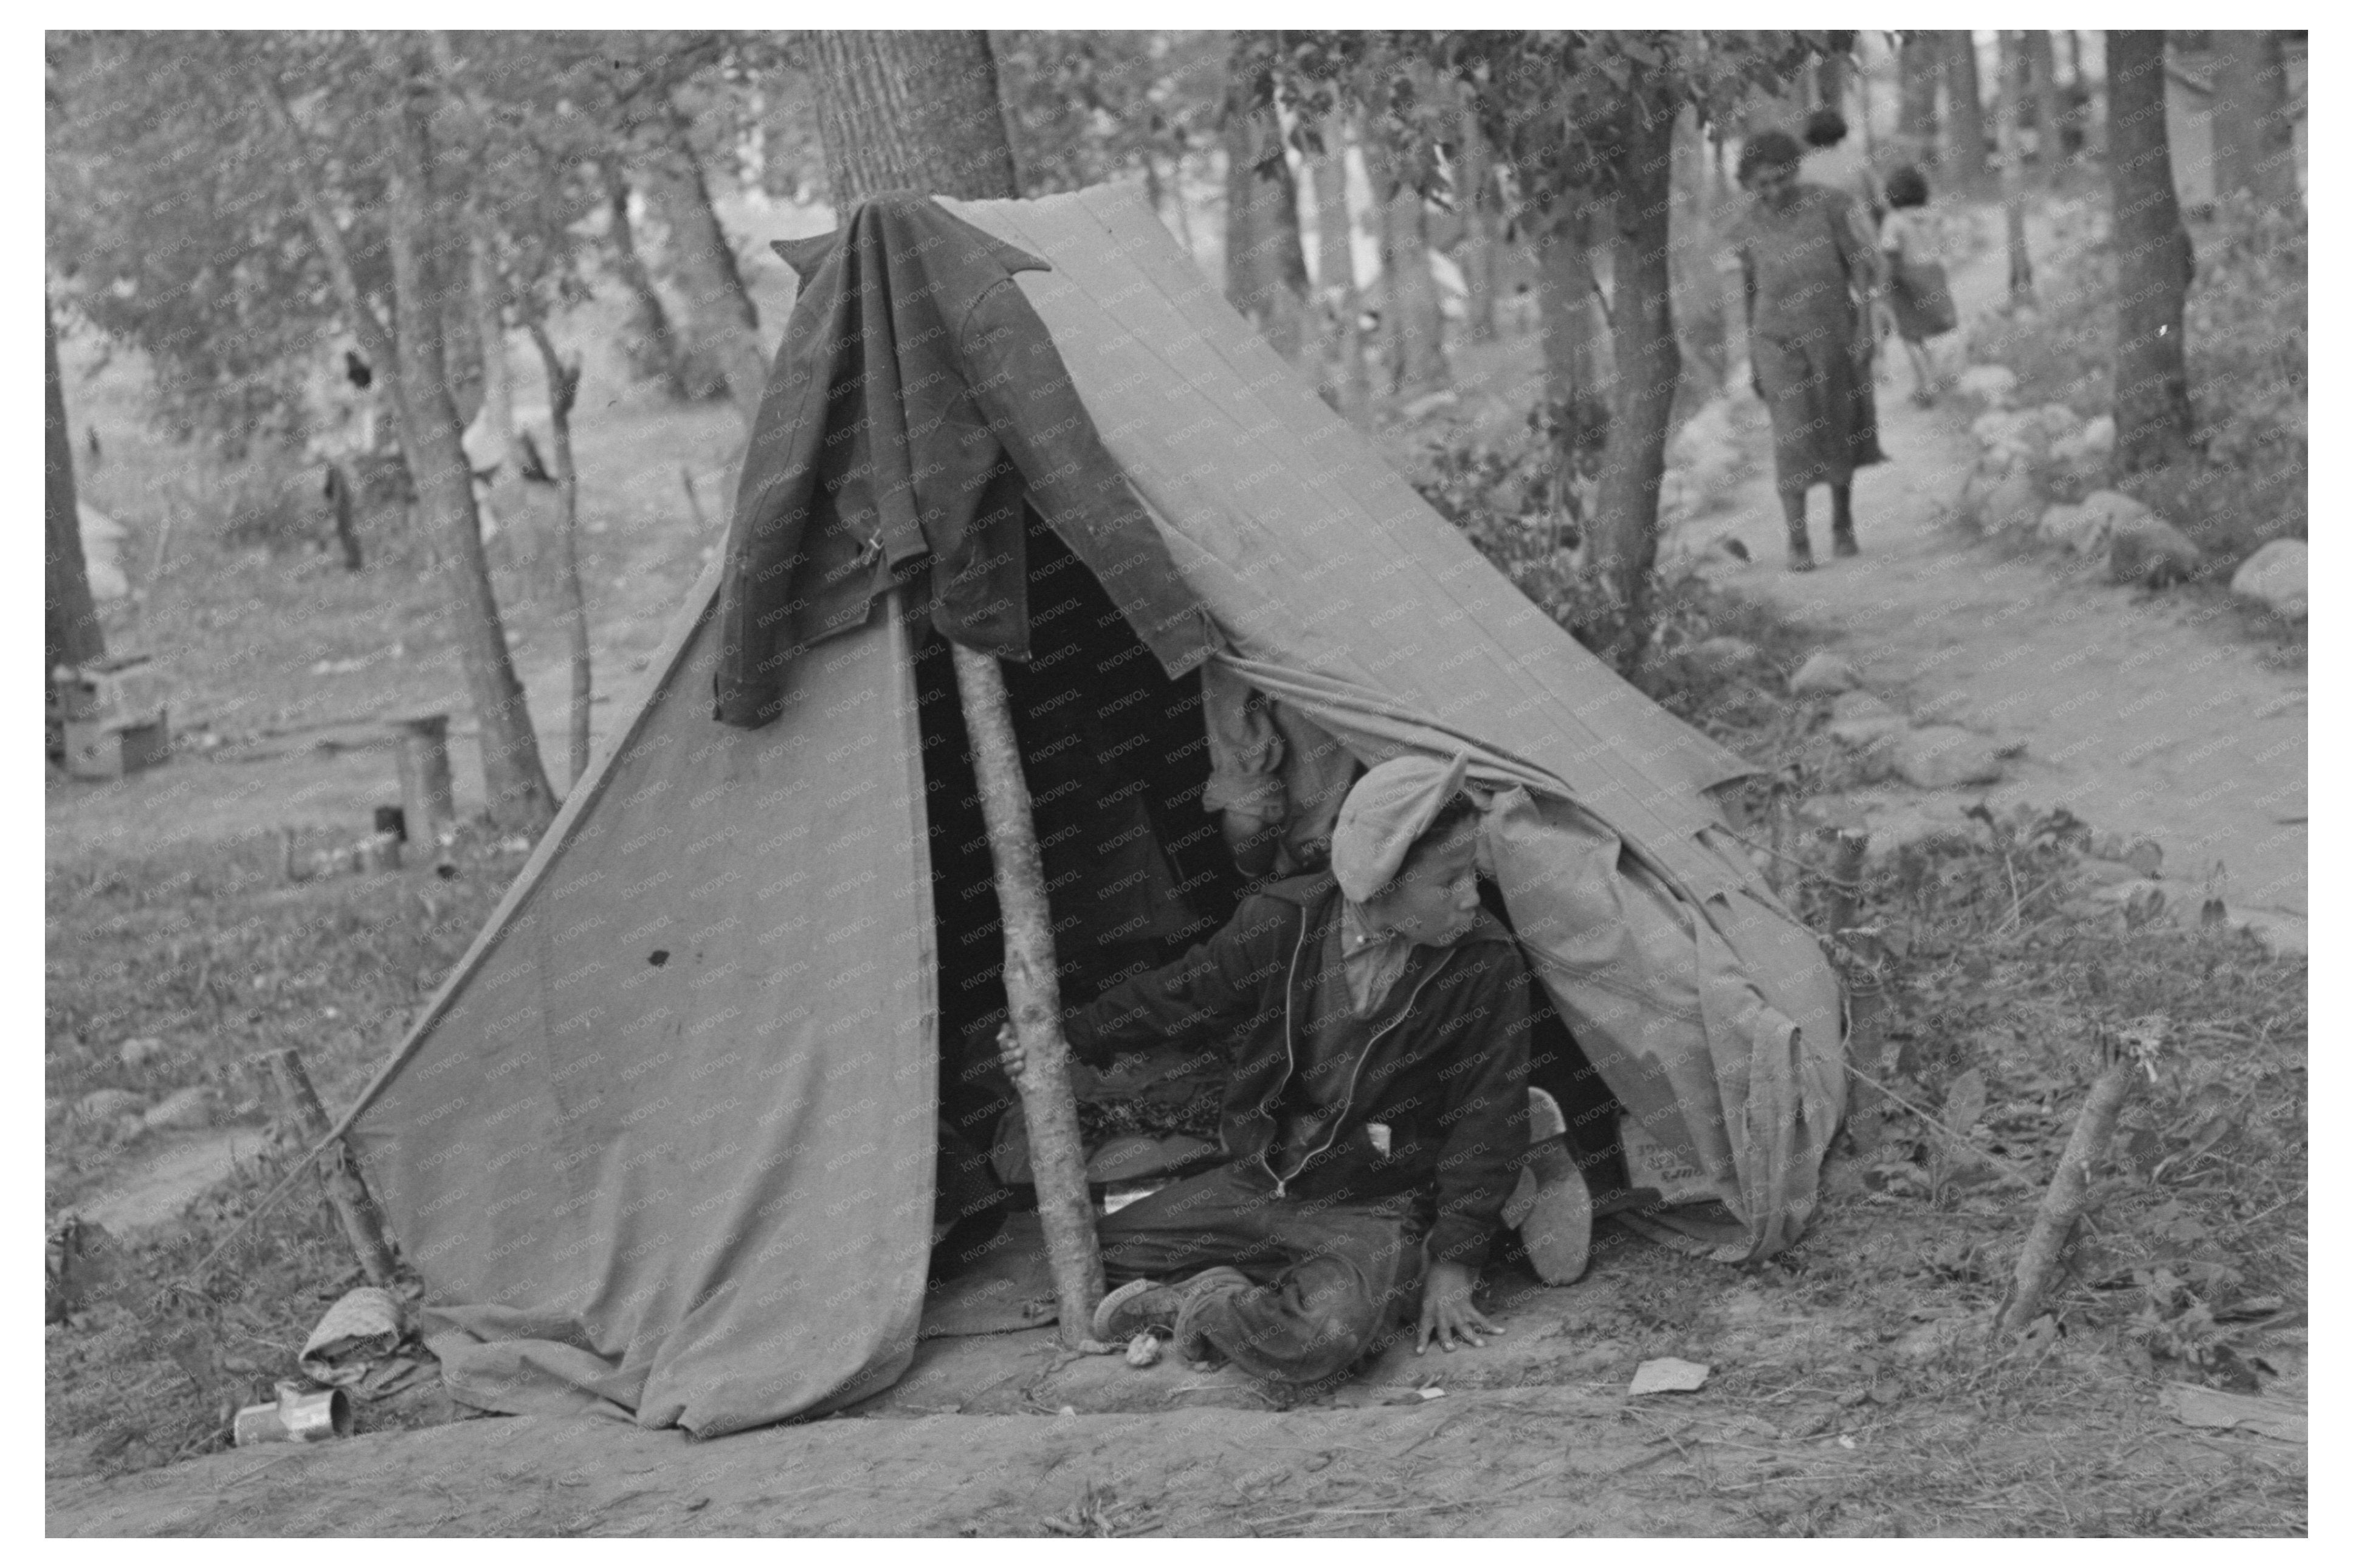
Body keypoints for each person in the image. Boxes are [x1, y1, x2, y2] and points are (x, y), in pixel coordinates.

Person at [997, 751, 1547, 1384]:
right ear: (1382, 880)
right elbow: (1183, 993)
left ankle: (1219, 1303)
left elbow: (1489, 1113)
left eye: (1469, 875)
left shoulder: (1484, 962)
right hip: (1266, 1178)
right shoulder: (1285, 922)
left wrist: (1456, 1259)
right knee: (1093, 1256)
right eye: (1448, 881)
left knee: (1325, 1335)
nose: (1470, 898)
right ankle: (1225, 1298)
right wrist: (1064, 1040)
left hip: (1375, 1201)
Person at [1729, 129, 1888, 570]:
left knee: (1837, 423)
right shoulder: (1745, 227)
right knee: (1791, 434)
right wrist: (1752, 358)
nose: (1773, 190)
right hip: (1773, 341)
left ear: (1794, 170)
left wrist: (1865, 326)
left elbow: (1859, 265)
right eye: (1762, 184)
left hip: (1831, 331)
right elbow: (1748, 291)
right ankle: (1797, 540)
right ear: (1748, 184)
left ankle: (1842, 523)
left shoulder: (1829, 205)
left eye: (1780, 179)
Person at [1878, 164, 1952, 408]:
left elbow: (1890, 252)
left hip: (1906, 279)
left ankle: (1926, 385)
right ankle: (1932, 379)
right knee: (1932, 330)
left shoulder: (1894, 221)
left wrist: (1882, 287)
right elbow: (1944, 243)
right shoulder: (1934, 215)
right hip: (1933, 273)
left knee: (1911, 336)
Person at [1801, 107, 1884, 225]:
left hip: (1818, 229)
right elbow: (1881, 199)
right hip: (1855, 228)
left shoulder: (1803, 166)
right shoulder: (1857, 161)